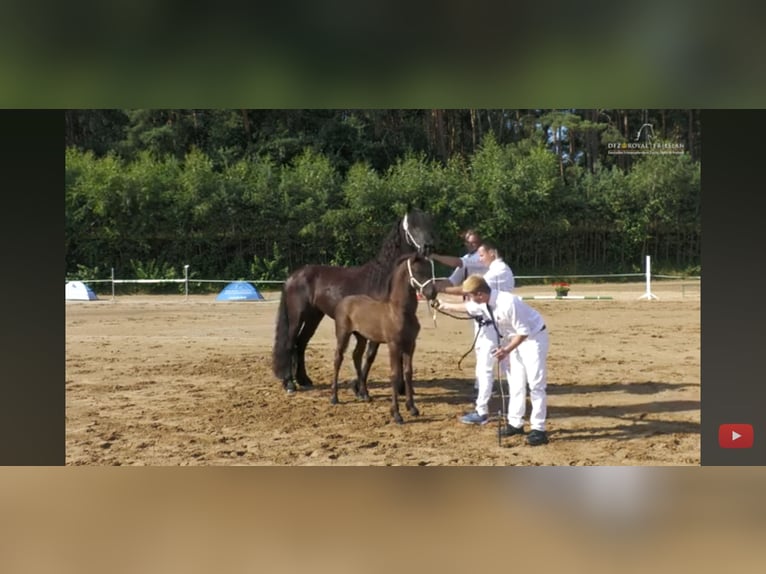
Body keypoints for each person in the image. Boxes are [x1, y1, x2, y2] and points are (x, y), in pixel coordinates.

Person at [435, 275, 550, 446]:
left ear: (480, 294)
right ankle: (515, 423)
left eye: (471, 295)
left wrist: (506, 350)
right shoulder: (483, 302)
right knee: (515, 383)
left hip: (533, 339)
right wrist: (443, 305)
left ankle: (538, 429)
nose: (470, 299)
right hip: (513, 341)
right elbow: (467, 307)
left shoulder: (508, 302)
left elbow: (523, 332)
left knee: (535, 384)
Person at [430, 229, 488, 295]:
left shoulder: (481, 257)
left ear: (480, 243)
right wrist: (431, 286)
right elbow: (452, 281)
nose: (470, 245)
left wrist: (435, 256)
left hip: (483, 297)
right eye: (468, 242)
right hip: (472, 300)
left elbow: (457, 263)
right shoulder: (466, 257)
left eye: (474, 242)